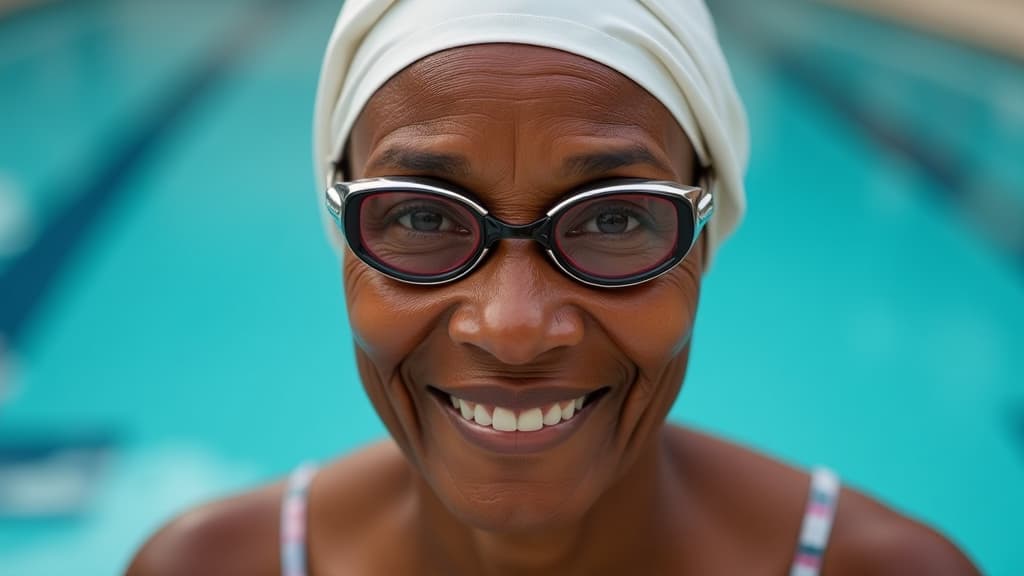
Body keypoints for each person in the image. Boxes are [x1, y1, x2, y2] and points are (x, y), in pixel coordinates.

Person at [128, 1, 980, 574]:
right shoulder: (210, 564)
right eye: (424, 219)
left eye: (613, 220)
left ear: (705, 233)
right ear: (343, 231)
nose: (513, 328)